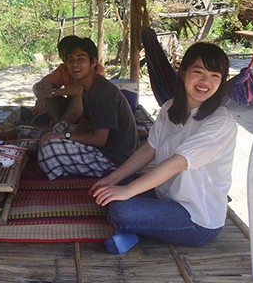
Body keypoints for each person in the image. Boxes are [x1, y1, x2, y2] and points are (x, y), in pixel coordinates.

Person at [89, 42, 237, 254]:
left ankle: (130, 228)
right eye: (199, 72)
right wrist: (112, 180)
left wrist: (126, 192)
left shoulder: (220, 122)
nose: (206, 82)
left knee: (122, 209)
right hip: (166, 196)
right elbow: (149, 149)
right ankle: (134, 230)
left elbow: (175, 164)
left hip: (196, 217)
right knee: (108, 181)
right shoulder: (170, 107)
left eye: (215, 76)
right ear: (183, 71)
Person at [37, 37, 138, 180]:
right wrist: (65, 136)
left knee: (50, 149)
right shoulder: (88, 88)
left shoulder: (103, 92)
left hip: (113, 160)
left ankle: (66, 176)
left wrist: (65, 137)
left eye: (81, 59)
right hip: (103, 148)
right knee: (59, 128)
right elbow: (86, 121)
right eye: (70, 60)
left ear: (94, 62)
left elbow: (100, 140)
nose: (75, 64)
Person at [32, 35, 106, 124]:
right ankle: (57, 125)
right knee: (42, 88)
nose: (75, 63)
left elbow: (84, 90)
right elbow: (41, 84)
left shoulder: (97, 70)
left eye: (80, 59)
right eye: (70, 58)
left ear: (92, 62)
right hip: (70, 108)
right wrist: (44, 95)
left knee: (80, 97)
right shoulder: (64, 69)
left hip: (92, 110)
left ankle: (62, 126)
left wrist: (53, 93)